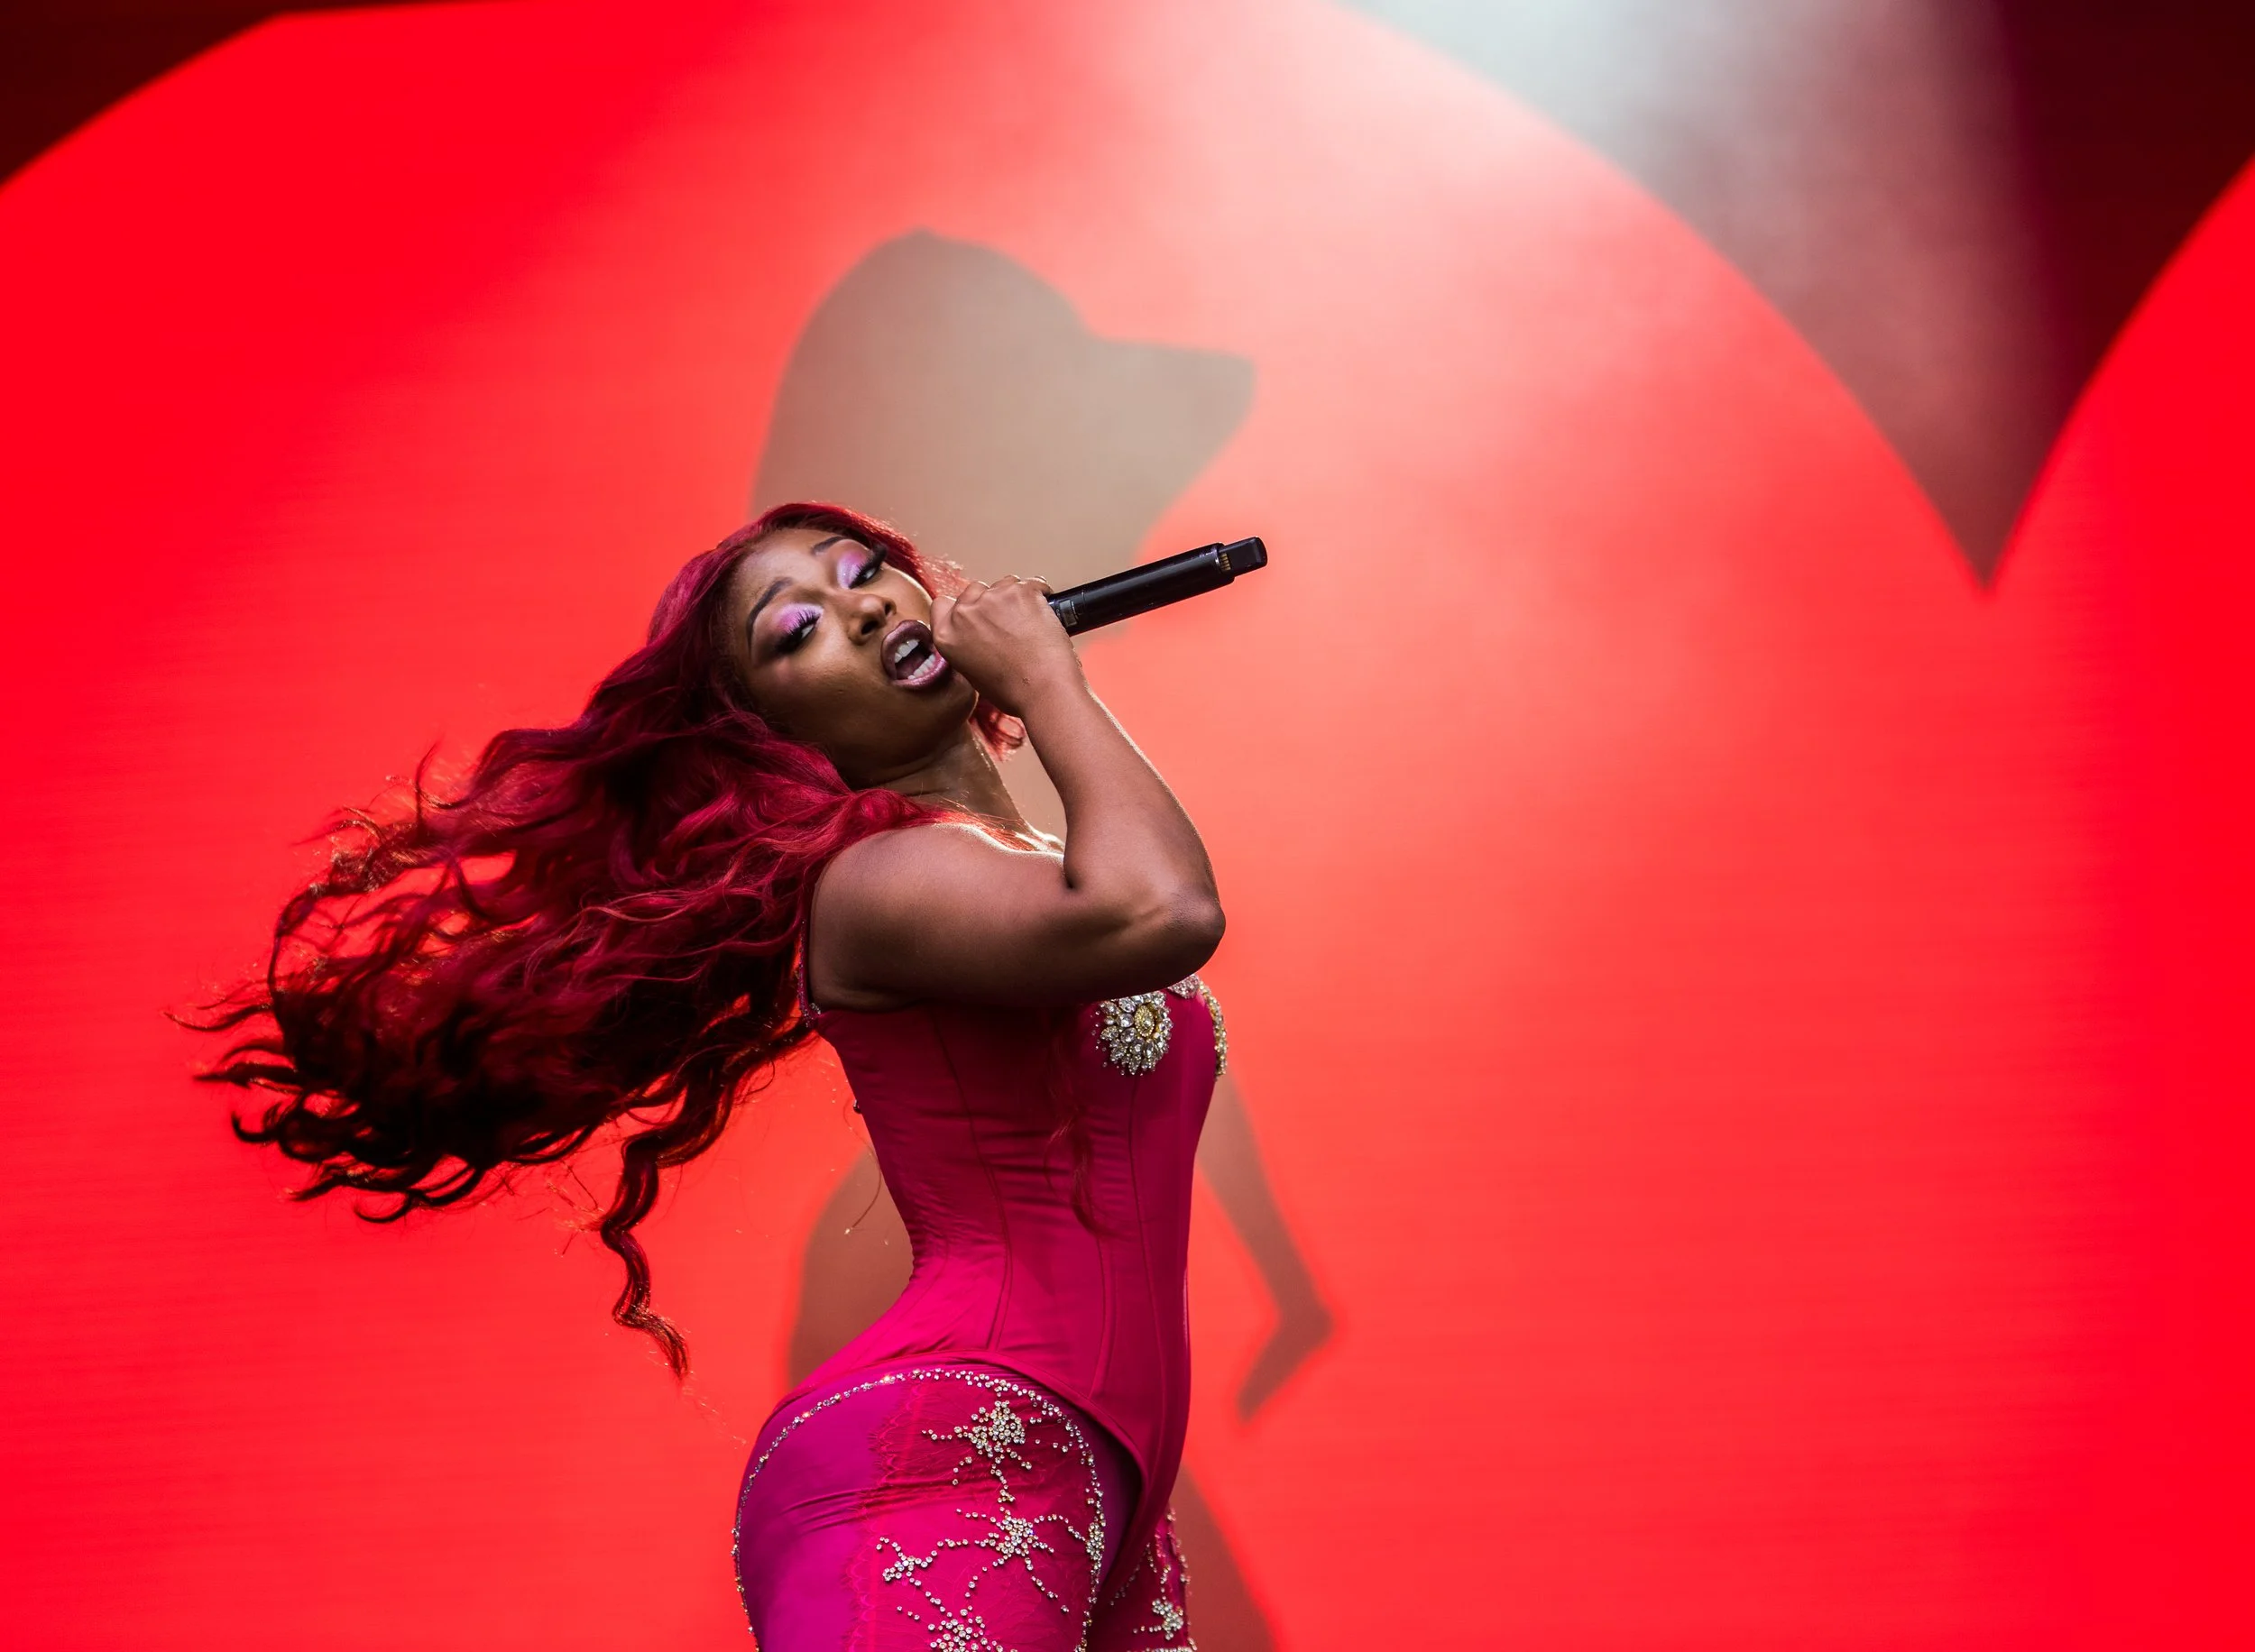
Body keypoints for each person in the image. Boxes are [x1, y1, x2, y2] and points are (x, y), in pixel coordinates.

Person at [195, 501, 1225, 1650]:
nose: (864, 605)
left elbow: (1130, 894)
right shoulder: (876, 884)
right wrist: (1046, 681)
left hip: (1108, 1471)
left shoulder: (1022, 869)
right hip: (943, 1455)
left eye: (862, 571)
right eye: (801, 629)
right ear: (771, 733)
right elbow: (1164, 908)